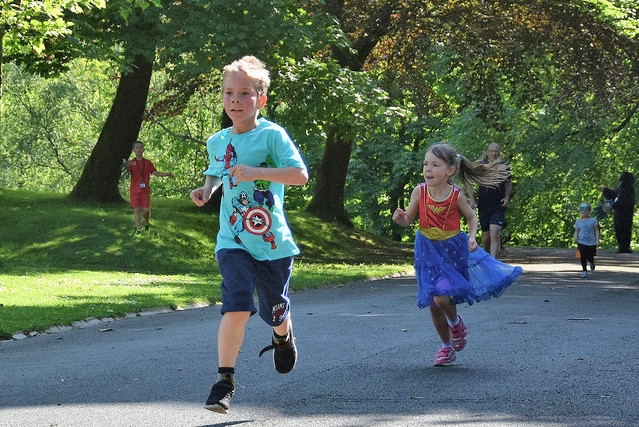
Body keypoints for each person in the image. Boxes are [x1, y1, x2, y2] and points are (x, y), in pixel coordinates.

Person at [189, 56, 308, 414]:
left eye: (244, 93)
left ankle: (282, 334)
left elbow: (300, 175)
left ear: (261, 99)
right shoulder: (217, 141)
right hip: (233, 240)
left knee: (273, 310)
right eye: (229, 93)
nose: (235, 100)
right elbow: (215, 171)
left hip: (272, 243)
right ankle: (223, 382)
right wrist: (207, 191)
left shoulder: (271, 135)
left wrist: (257, 171)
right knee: (237, 305)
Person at [392, 142, 522, 366]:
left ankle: (455, 322)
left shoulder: (455, 195)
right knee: (434, 303)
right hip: (427, 250)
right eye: (425, 164)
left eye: (435, 165)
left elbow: (472, 218)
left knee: (442, 295)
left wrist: (472, 237)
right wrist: (401, 218)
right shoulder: (419, 191)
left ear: (450, 170)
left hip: (452, 250)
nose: (428, 169)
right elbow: (408, 220)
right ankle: (445, 347)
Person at [465, 142, 513, 259]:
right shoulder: (481, 166)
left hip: (498, 204)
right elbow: (468, 180)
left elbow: (509, 183)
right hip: (484, 204)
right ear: (487, 152)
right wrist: (471, 199)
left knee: (495, 233)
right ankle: (486, 259)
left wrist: (506, 198)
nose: (494, 153)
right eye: (491, 151)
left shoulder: (504, 165)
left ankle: (493, 263)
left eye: (496, 151)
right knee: (486, 237)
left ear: (499, 152)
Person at [125, 141, 173, 235]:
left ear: (143, 149)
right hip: (135, 190)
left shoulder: (148, 163)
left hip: (145, 191)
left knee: (146, 211)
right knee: (137, 209)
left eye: (140, 147)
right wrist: (127, 166)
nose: (139, 149)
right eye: (137, 147)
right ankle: (138, 230)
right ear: (133, 150)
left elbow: (156, 173)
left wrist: (167, 174)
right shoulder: (131, 163)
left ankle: (146, 223)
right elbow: (126, 173)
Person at [599, 171, 636, 253]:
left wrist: (613, 205)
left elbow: (624, 202)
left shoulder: (629, 189)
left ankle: (625, 247)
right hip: (618, 213)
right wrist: (605, 190)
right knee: (618, 229)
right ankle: (621, 246)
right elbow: (614, 195)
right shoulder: (621, 188)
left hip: (626, 214)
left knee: (625, 230)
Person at [573, 202, 599, 278]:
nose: (583, 212)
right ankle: (584, 270)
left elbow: (596, 230)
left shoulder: (593, 220)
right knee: (583, 256)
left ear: (589, 211)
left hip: (591, 242)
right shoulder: (578, 221)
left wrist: (597, 240)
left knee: (590, 255)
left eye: (585, 210)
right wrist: (575, 237)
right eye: (581, 210)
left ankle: (592, 262)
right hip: (581, 241)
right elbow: (576, 230)